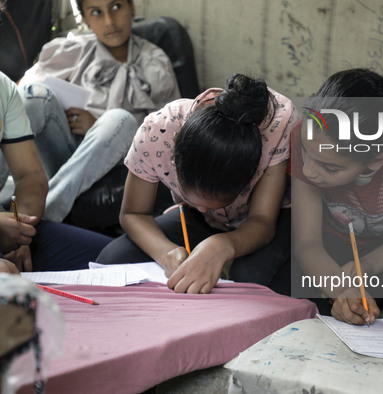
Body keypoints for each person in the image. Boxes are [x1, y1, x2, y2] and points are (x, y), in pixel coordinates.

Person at [96, 74, 297, 295]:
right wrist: (166, 253)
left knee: (251, 278)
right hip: (195, 221)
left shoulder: (276, 125)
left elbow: (262, 221)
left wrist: (222, 245)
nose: (203, 209)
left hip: (272, 219)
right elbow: (133, 214)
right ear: (176, 155)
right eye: (192, 197)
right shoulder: (158, 132)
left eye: (218, 201)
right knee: (114, 258)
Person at [291, 68, 383, 325]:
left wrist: (367, 267)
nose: (308, 171)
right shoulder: (309, 133)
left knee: (360, 310)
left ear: (376, 161)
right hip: (328, 241)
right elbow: (307, 242)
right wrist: (341, 289)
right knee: (305, 303)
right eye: (306, 153)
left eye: (331, 168)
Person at [18, 0, 180, 222]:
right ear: (84, 19)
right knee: (34, 95)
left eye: (116, 7)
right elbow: (22, 94)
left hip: (119, 161)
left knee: (120, 119)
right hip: (64, 151)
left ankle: (40, 217)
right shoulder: (73, 50)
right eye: (96, 12)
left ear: (131, 8)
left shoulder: (156, 61)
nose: (109, 21)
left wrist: (98, 124)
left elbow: (173, 135)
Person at [0, 71, 113, 274]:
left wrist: (20, 236)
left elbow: (30, 176)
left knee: (115, 258)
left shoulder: (4, 88)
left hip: (7, 225)